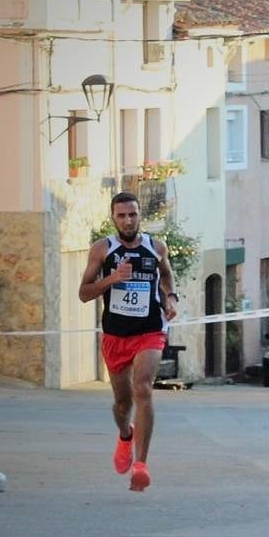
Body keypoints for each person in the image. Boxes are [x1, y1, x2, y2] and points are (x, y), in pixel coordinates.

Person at [78, 192, 178, 492]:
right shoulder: (102, 249)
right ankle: (125, 434)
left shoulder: (156, 247)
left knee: (143, 388)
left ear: (139, 216)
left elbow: (167, 277)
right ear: (113, 218)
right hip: (115, 335)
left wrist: (171, 298)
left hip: (149, 330)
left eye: (132, 214)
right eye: (121, 215)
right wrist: (112, 279)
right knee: (122, 403)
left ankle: (141, 465)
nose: (128, 220)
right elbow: (84, 293)